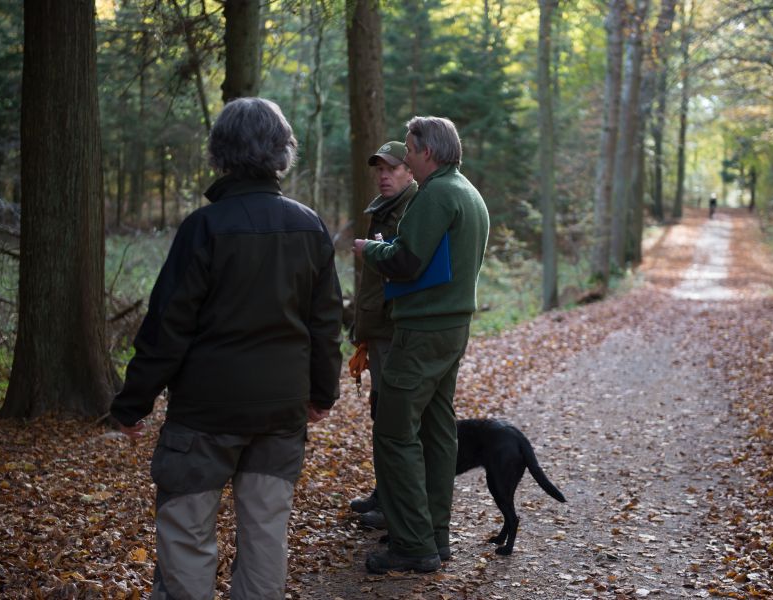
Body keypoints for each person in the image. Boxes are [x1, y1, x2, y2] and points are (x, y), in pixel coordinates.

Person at [110, 97, 343, 599]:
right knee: (265, 535)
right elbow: (325, 325)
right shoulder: (309, 226)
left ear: (220, 153)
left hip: (204, 415)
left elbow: (167, 325)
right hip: (279, 410)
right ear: (282, 153)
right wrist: (322, 394)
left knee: (187, 534)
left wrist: (134, 402)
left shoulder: (205, 228)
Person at [352, 116, 490, 574]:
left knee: (394, 431)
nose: (405, 157)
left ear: (427, 152)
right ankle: (435, 534)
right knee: (435, 430)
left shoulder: (437, 194)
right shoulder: (468, 193)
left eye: (409, 149)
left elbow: (408, 260)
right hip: (451, 329)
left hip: (423, 331)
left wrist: (371, 250)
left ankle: (414, 544)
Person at [348, 141, 419, 529]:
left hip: (396, 329)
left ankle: (396, 503)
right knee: (381, 412)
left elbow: (407, 266)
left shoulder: (413, 209)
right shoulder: (383, 208)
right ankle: (385, 490)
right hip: (378, 328)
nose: (383, 175)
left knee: (395, 418)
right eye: (379, 169)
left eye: (392, 169)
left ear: (410, 171)